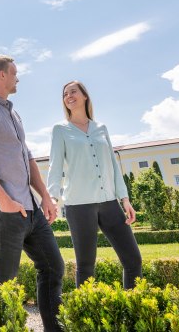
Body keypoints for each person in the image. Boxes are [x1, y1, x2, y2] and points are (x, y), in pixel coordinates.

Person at [0, 55, 64, 332]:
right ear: (1, 76)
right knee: (2, 280)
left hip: (30, 210)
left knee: (53, 267)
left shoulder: (13, 113)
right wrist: (4, 200)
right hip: (3, 210)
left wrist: (44, 195)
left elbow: (28, 157)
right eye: (14, 73)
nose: (18, 77)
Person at [47, 80, 142, 289]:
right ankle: (85, 315)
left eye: (73, 92)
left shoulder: (101, 128)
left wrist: (124, 199)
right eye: (65, 94)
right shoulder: (60, 130)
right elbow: (55, 167)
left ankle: (134, 310)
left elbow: (113, 165)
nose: (68, 96)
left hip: (109, 203)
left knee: (133, 260)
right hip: (79, 205)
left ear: (84, 96)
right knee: (86, 266)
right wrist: (52, 198)